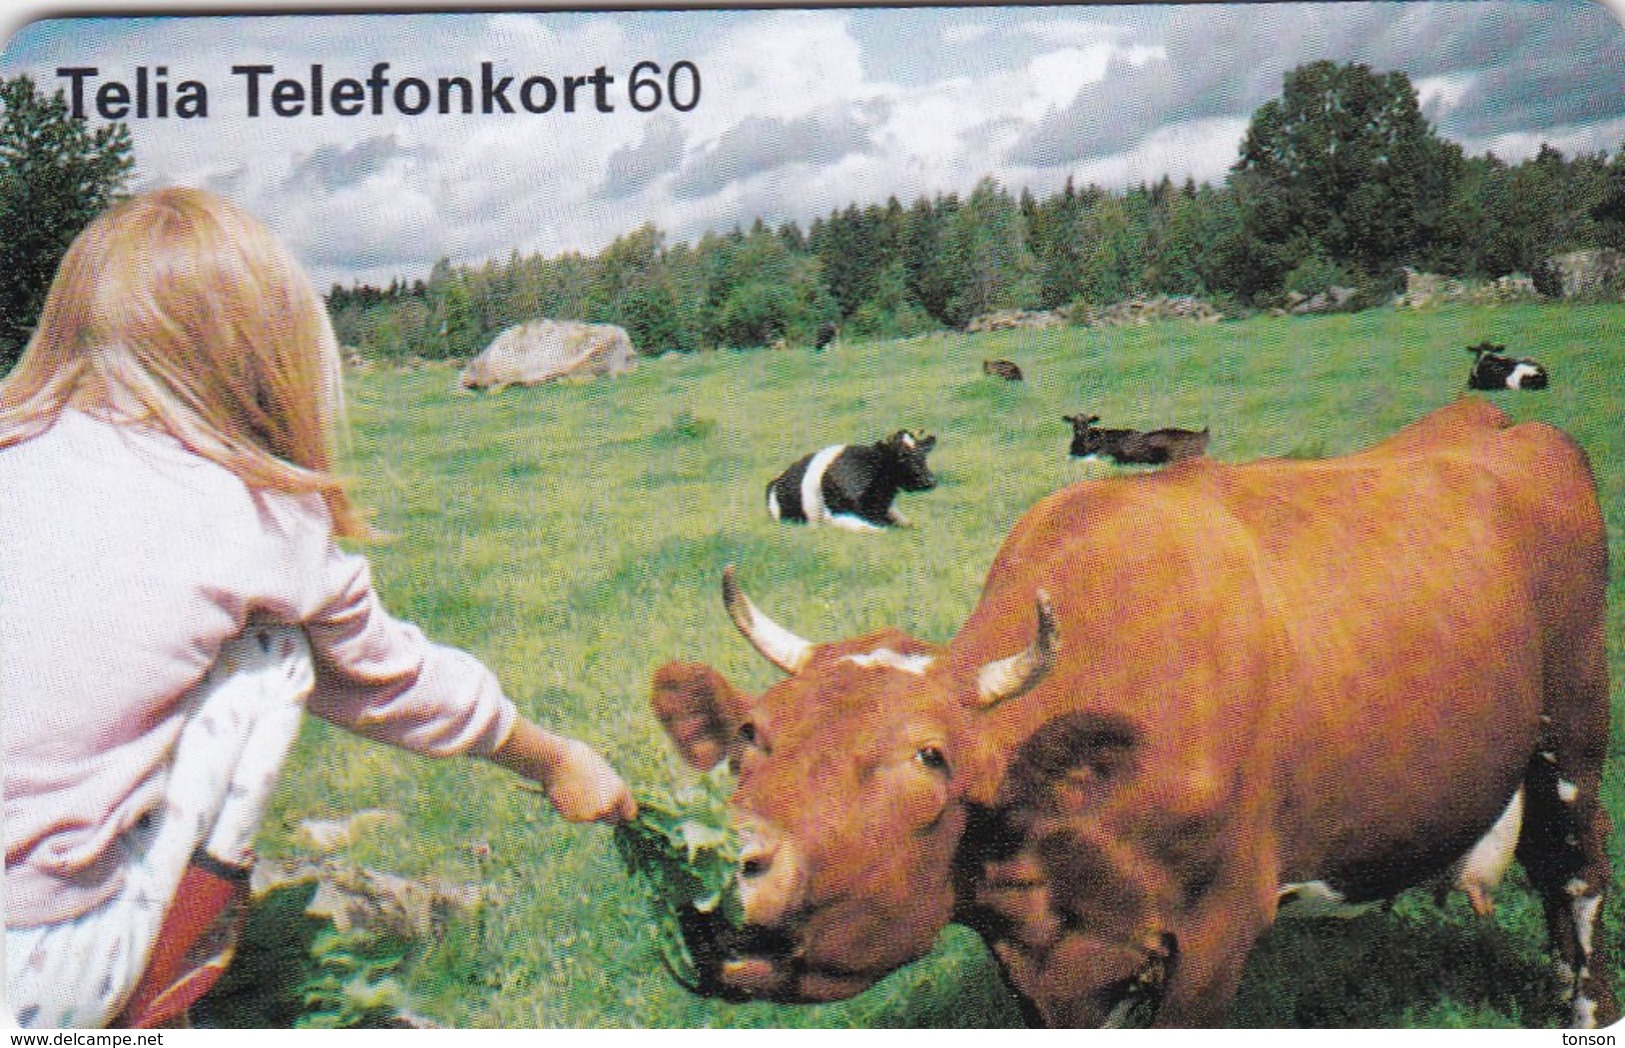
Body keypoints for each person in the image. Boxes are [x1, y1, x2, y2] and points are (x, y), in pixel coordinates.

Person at [0, 187, 637, 1029]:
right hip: (41, 967)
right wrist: (554, 760)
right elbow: (393, 681)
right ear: (262, 354)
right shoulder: (255, 516)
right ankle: (158, 991)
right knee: (273, 654)